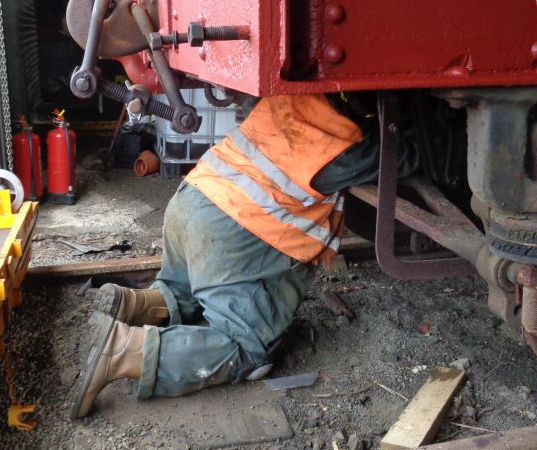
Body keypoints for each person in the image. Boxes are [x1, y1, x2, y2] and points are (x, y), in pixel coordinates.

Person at [71, 93, 380, 418]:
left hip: (190, 202)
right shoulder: (346, 142)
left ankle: (131, 305)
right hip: (228, 231)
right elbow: (405, 157)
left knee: (185, 287)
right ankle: (123, 351)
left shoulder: (284, 101)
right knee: (247, 348)